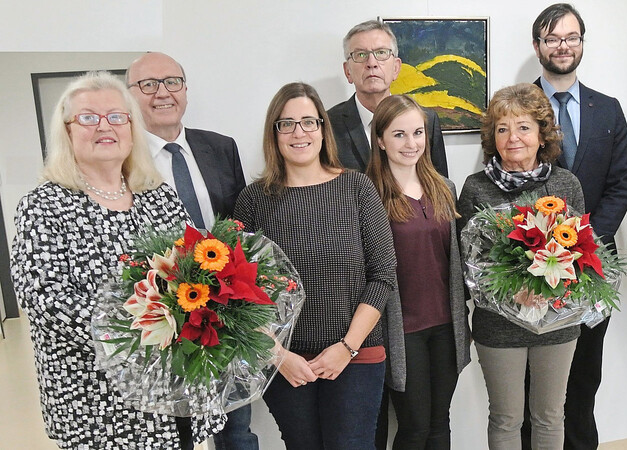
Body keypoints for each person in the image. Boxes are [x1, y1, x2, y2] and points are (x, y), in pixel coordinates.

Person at [10, 71, 223, 448]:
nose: (104, 126)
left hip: (172, 393)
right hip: (96, 401)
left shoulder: (159, 196)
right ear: (68, 130)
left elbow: (197, 272)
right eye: (88, 117)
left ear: (131, 127)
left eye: (116, 116)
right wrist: (143, 330)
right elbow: (44, 299)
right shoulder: (43, 205)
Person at [233, 82, 397, 450]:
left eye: (308, 122)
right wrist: (278, 355)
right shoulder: (253, 200)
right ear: (273, 134)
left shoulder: (357, 188)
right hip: (285, 362)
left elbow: (382, 274)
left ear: (323, 128)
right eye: (286, 124)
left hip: (356, 355)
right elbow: (236, 292)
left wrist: (347, 347)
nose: (299, 132)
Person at [126, 51, 250, 450]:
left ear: (185, 89)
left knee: (236, 430)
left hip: (227, 316)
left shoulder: (220, 148)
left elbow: (241, 231)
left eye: (172, 82)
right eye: (148, 85)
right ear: (131, 95)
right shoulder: (122, 159)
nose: (162, 93)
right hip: (163, 321)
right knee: (176, 434)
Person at [528, 4, 627, 449]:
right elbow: (503, 181)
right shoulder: (515, 106)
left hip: (592, 270)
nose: (563, 46)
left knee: (585, 375)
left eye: (571, 37)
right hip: (531, 271)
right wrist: (545, 246)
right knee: (537, 385)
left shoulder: (607, 110)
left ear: (582, 42)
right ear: (538, 47)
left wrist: (584, 241)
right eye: (553, 39)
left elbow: (621, 183)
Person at [457, 83, 584, 449]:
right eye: (502, 129)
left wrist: (549, 287)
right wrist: (513, 290)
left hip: (557, 323)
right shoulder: (476, 188)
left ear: (542, 135)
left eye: (524, 127)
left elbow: (581, 253)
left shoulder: (565, 183)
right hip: (498, 326)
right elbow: (469, 262)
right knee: (506, 418)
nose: (513, 138)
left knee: (550, 416)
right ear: (492, 138)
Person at [366, 95, 471, 449]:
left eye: (417, 133)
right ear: (380, 140)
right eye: (399, 135)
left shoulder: (444, 188)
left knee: (440, 422)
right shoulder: (367, 196)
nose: (411, 144)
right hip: (401, 329)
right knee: (414, 429)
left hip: (446, 325)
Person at [327, 19, 449, 176]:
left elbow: (439, 187)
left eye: (381, 53)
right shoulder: (328, 125)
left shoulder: (427, 120)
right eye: (361, 55)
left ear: (396, 68)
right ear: (347, 71)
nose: (372, 63)